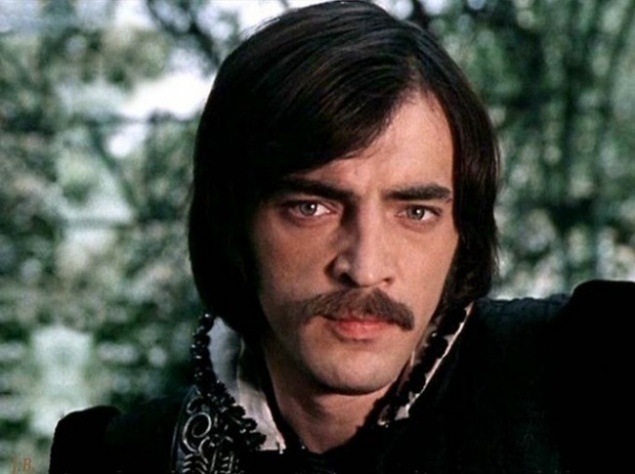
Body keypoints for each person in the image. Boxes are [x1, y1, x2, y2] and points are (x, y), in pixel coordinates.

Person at [49, 1, 633, 473]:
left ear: (463, 233)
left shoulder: (589, 370)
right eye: (313, 207)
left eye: (416, 212)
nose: (365, 265)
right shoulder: (121, 458)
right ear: (233, 224)